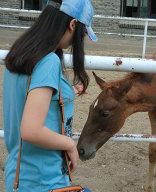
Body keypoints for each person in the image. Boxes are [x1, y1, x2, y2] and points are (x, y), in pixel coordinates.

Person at [3, 0, 97, 191]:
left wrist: (67, 90)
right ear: (72, 25)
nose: (78, 41)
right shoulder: (49, 61)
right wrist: (70, 145)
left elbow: (29, 99)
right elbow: (31, 130)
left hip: (19, 175)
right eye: (81, 34)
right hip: (43, 180)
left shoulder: (20, 53)